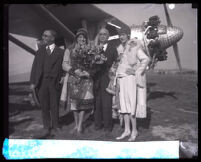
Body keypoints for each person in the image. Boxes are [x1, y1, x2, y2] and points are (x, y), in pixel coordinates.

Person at [114, 28, 150, 141]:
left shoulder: (134, 46)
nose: (121, 37)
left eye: (123, 35)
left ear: (128, 35)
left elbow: (145, 59)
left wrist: (136, 71)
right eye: (120, 35)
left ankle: (134, 131)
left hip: (130, 79)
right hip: (122, 78)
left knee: (131, 106)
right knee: (123, 106)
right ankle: (126, 130)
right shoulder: (121, 48)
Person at [30, 29, 64, 137]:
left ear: (52, 38)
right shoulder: (39, 51)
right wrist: (32, 82)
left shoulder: (61, 52)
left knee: (54, 104)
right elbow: (34, 67)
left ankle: (56, 125)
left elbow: (64, 67)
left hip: (54, 82)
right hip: (42, 82)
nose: (43, 37)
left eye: (45, 36)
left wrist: (63, 77)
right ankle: (46, 126)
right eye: (43, 35)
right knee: (44, 105)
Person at [61, 28, 94, 135]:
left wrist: (87, 72)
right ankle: (76, 125)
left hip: (85, 79)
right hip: (73, 79)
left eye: (84, 38)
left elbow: (93, 64)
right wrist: (74, 71)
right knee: (74, 104)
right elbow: (64, 64)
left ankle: (80, 126)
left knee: (83, 103)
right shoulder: (69, 50)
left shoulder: (90, 50)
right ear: (76, 38)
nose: (82, 39)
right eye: (80, 37)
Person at [93, 28, 118, 135]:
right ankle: (98, 124)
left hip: (107, 78)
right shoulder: (94, 48)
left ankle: (108, 126)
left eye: (104, 34)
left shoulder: (113, 49)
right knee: (97, 103)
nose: (102, 36)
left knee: (107, 103)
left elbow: (116, 64)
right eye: (100, 34)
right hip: (96, 78)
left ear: (108, 37)